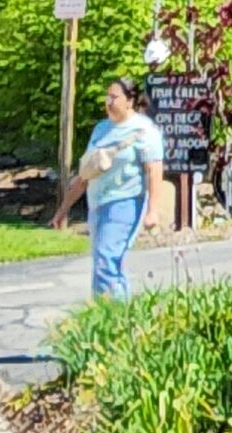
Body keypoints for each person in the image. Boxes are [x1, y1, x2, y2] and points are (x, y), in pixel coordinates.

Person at [57, 73, 166, 300]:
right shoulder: (101, 130)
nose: (108, 102)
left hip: (126, 201)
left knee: (107, 258)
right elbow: (86, 172)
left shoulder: (144, 131)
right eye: (107, 97)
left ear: (130, 101)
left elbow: (155, 171)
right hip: (97, 203)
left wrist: (153, 211)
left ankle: (108, 316)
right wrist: (64, 208)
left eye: (114, 97)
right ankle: (120, 319)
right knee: (105, 261)